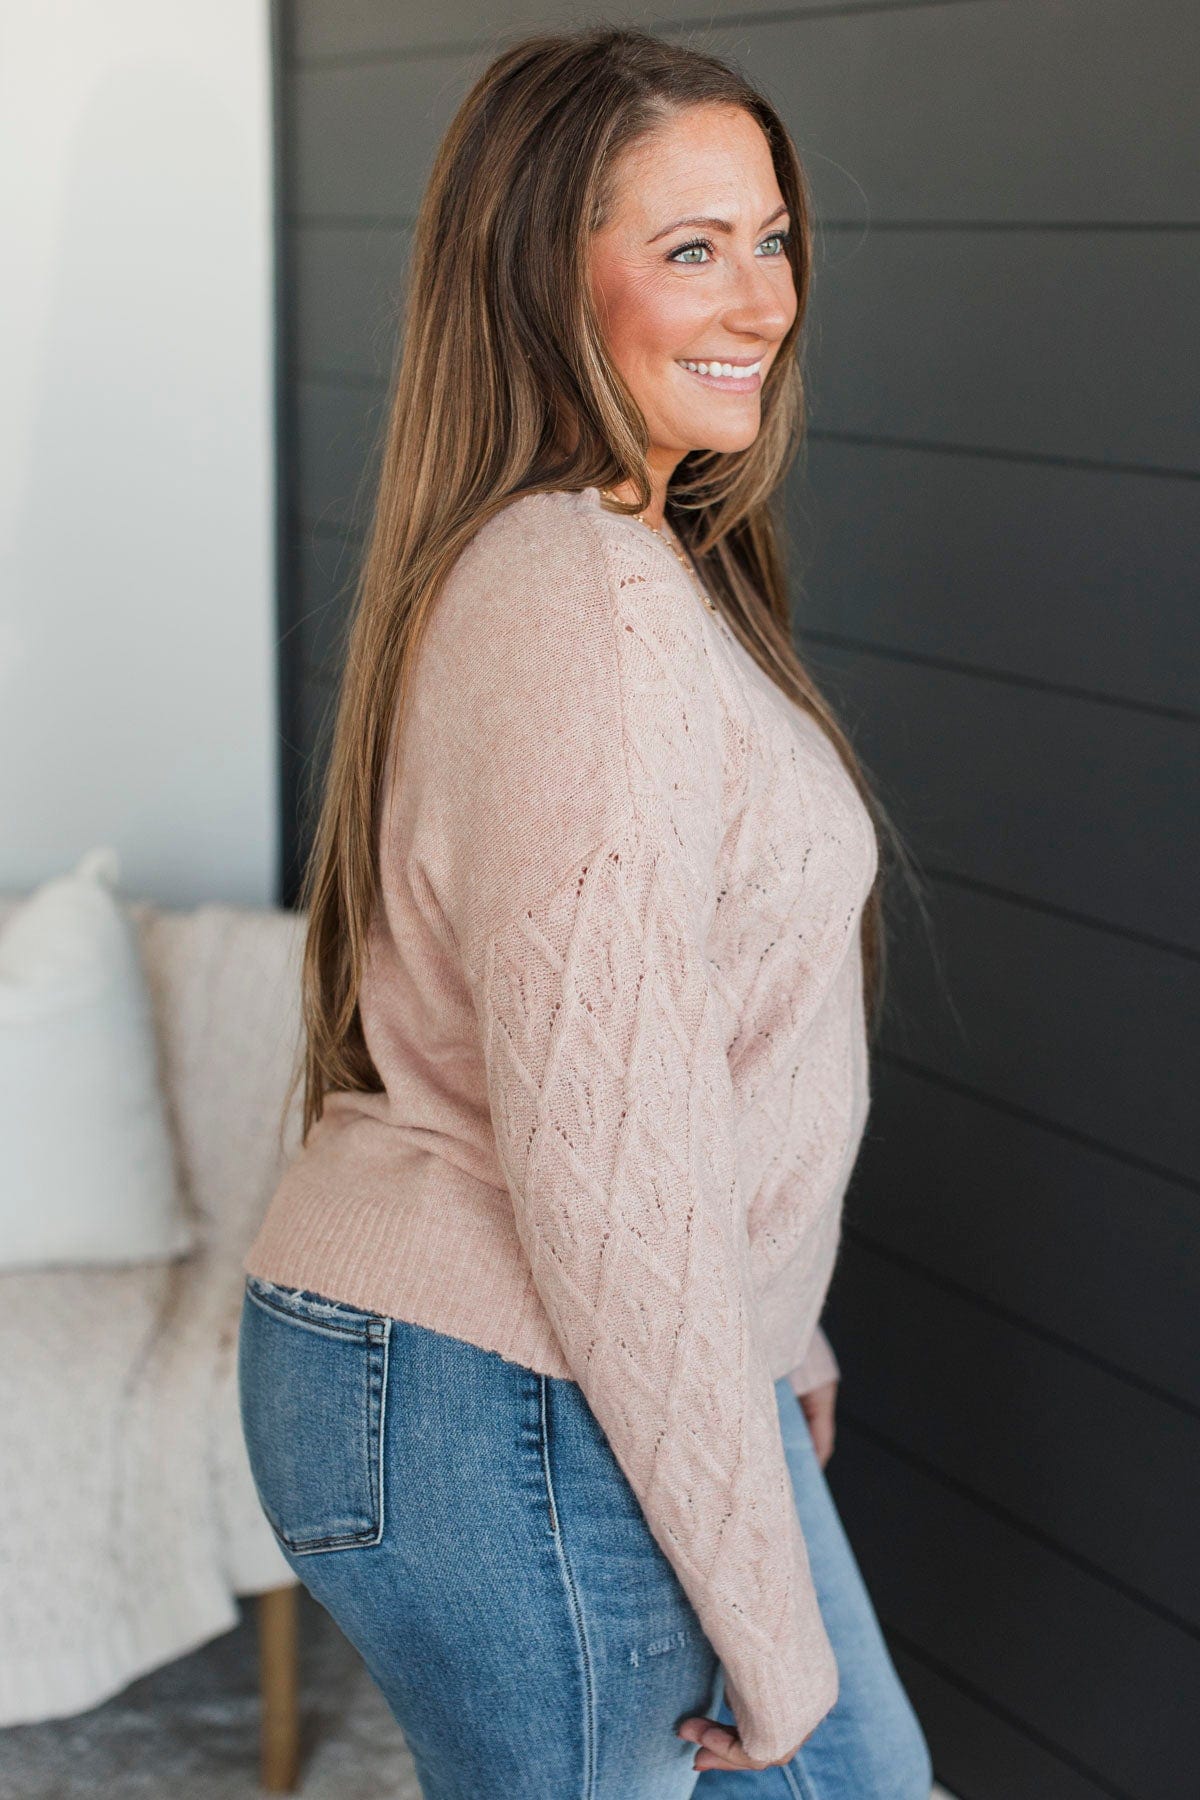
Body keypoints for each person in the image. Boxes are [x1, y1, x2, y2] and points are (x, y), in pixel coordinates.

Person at [238, 24, 933, 1800]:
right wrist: (766, 1617)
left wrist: (778, 1326)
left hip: (575, 1360)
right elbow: (604, 1160)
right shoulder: (588, 598)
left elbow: (689, 1042)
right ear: (546, 280)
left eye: (772, 239)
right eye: (691, 248)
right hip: (510, 1382)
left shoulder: (615, 566)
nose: (764, 300)